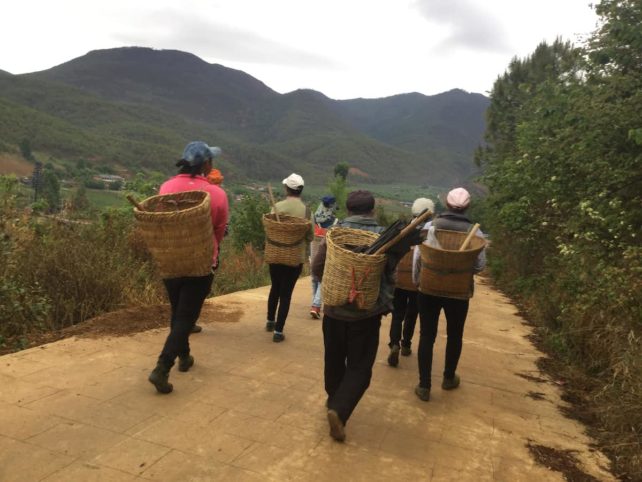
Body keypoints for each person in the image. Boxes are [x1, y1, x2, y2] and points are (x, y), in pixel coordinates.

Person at [312, 190, 419, 442]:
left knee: (334, 359)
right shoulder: (387, 236)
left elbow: (317, 269)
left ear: (348, 210)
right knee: (360, 367)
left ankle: (333, 400)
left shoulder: (334, 234)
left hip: (335, 310)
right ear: (372, 210)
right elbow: (389, 270)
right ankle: (339, 409)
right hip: (366, 313)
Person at [148, 141, 229, 394]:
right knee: (186, 316)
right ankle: (162, 367)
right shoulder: (216, 194)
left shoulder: (166, 187)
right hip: (200, 264)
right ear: (207, 165)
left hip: (170, 260)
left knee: (179, 312)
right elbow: (218, 231)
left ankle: (185, 357)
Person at [411, 187, 486, 401]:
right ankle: (448, 378)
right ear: (468, 206)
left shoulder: (429, 227)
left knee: (427, 335)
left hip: (429, 290)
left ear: (446, 204)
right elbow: (480, 265)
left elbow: (419, 258)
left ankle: (424, 386)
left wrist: (418, 282)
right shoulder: (476, 232)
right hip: (458, 293)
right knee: (455, 335)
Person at [387, 197, 435, 367]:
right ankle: (406, 344)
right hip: (417, 281)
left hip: (399, 278)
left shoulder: (404, 228)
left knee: (397, 313)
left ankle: (394, 344)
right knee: (412, 313)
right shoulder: (430, 231)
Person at [265, 173, 312, 342]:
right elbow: (310, 237)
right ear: (301, 190)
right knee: (286, 294)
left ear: (286, 188)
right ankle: (278, 331)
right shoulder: (307, 212)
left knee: (275, 288)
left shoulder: (276, 207)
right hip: (294, 258)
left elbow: (271, 230)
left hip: (276, 255)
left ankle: (270, 321)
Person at [310, 195, 338, 319]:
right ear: (331, 206)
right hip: (326, 251)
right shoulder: (334, 222)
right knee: (323, 276)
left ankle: (315, 304)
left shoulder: (314, 218)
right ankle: (316, 305)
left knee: (314, 277)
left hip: (313, 248)